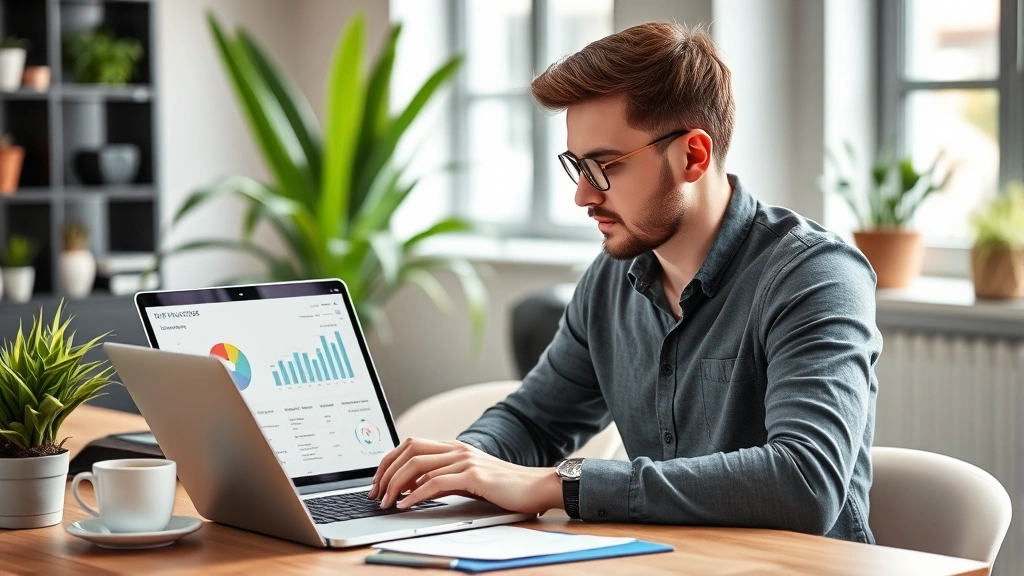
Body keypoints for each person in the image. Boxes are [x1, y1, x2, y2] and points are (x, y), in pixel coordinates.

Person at [369, 22, 881, 544]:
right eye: (577, 167)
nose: (583, 197)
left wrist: (559, 485)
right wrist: (458, 470)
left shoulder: (814, 276)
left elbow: (804, 482)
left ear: (693, 156)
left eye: (604, 166)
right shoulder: (611, 279)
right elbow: (535, 421)